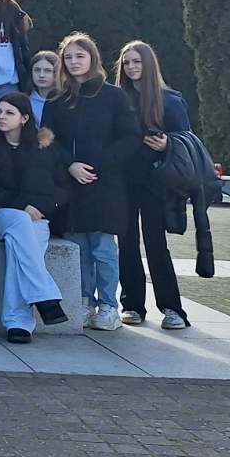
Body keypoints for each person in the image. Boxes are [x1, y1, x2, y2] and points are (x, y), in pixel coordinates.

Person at [44, 33, 139, 332]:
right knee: (79, 247)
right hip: (71, 185)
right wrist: (69, 165)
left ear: (92, 58)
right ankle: (85, 302)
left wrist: (100, 164)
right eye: (68, 57)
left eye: (80, 56)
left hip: (105, 184)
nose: (74, 62)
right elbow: (48, 138)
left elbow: (130, 137)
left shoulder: (114, 96)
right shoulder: (57, 99)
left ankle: (109, 306)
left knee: (103, 248)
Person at [0, 92, 71, 343]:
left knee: (19, 244)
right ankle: (45, 296)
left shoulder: (46, 147)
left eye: (9, 112)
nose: (1, 117)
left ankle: (18, 323)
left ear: (25, 118)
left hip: (38, 217)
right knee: (20, 222)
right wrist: (23, 206)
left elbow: (63, 187)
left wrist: (44, 207)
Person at [115, 40, 191, 331]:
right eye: (127, 62)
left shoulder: (170, 100)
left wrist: (167, 143)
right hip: (124, 181)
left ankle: (172, 308)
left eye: (137, 61)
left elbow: (186, 141)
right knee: (127, 244)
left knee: (156, 244)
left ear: (149, 64)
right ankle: (132, 304)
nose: (131, 67)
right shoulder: (119, 99)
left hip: (156, 182)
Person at [27, 51, 59, 124]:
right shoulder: (26, 101)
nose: (41, 75)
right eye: (37, 70)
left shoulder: (66, 100)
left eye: (48, 71)